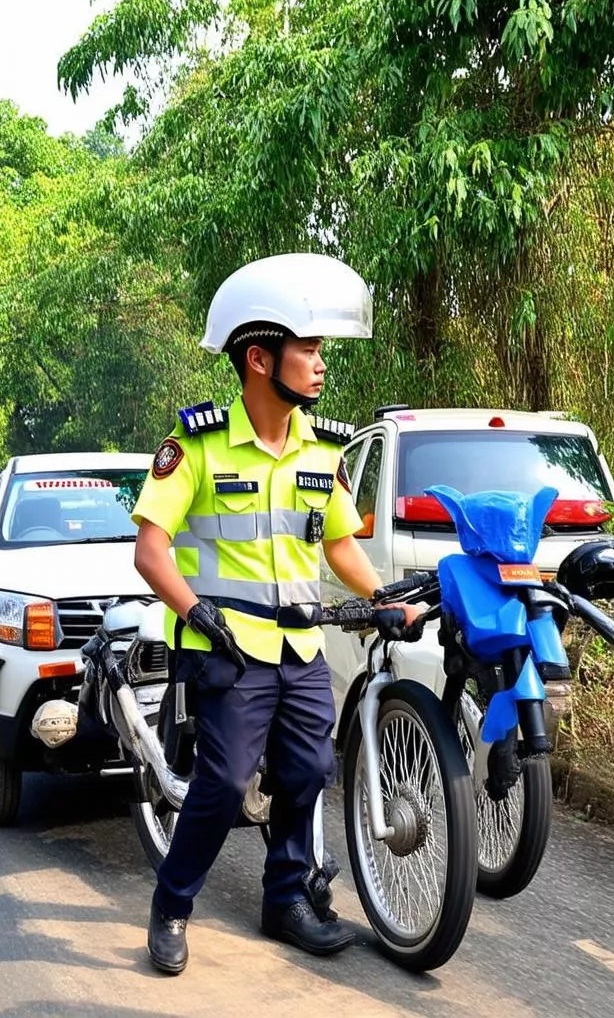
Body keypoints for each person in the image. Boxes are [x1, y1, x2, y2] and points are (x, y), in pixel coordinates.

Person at [131, 253, 420, 975]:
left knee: (307, 771)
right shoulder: (192, 446)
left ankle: (285, 898)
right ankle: (171, 906)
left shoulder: (322, 451)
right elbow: (152, 551)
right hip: (226, 645)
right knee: (225, 785)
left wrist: (383, 595)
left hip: (300, 648)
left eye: (323, 350)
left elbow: (341, 544)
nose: (321, 366)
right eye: (309, 350)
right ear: (260, 359)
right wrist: (195, 614)